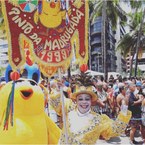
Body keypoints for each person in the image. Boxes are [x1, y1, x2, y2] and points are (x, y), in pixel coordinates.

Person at [50, 72, 132, 144]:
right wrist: (57, 88)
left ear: (91, 101)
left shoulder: (98, 120)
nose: (84, 102)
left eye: (87, 99)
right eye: (80, 99)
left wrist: (124, 107)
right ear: (76, 100)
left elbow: (115, 129)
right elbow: (56, 103)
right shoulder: (69, 107)